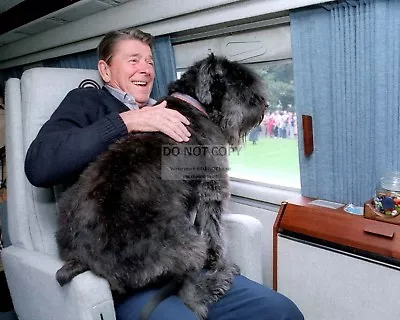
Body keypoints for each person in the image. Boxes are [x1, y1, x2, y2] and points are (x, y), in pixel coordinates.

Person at [24, 28, 304, 320]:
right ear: (105, 70)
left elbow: (184, 188)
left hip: (184, 260)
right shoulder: (87, 103)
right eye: (133, 60)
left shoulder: (170, 110)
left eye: (149, 62)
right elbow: (39, 165)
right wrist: (128, 121)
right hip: (126, 268)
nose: (145, 69)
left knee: (282, 311)